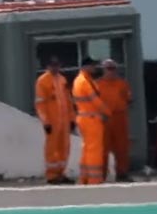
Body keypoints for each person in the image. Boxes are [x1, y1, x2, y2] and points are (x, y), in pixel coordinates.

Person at [33, 56, 74, 184]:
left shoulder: (62, 80)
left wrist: (72, 119)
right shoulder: (42, 81)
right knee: (52, 148)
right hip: (53, 122)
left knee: (64, 147)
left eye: (57, 65)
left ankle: (61, 173)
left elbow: (68, 102)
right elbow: (40, 104)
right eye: (52, 65)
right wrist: (45, 122)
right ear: (48, 66)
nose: (55, 67)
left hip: (64, 121)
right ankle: (51, 175)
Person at [72, 56, 109, 185]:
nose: (94, 68)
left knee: (87, 149)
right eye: (92, 65)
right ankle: (94, 178)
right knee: (94, 149)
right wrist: (107, 112)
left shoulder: (82, 80)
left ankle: (85, 177)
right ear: (86, 66)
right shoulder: (84, 82)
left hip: (85, 118)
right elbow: (95, 100)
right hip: (91, 119)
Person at [97, 58, 133, 182]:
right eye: (109, 68)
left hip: (120, 118)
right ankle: (101, 174)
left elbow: (128, 99)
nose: (111, 71)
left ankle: (122, 173)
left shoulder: (122, 84)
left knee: (122, 147)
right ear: (103, 70)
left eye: (113, 68)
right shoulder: (97, 84)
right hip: (104, 119)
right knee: (103, 148)